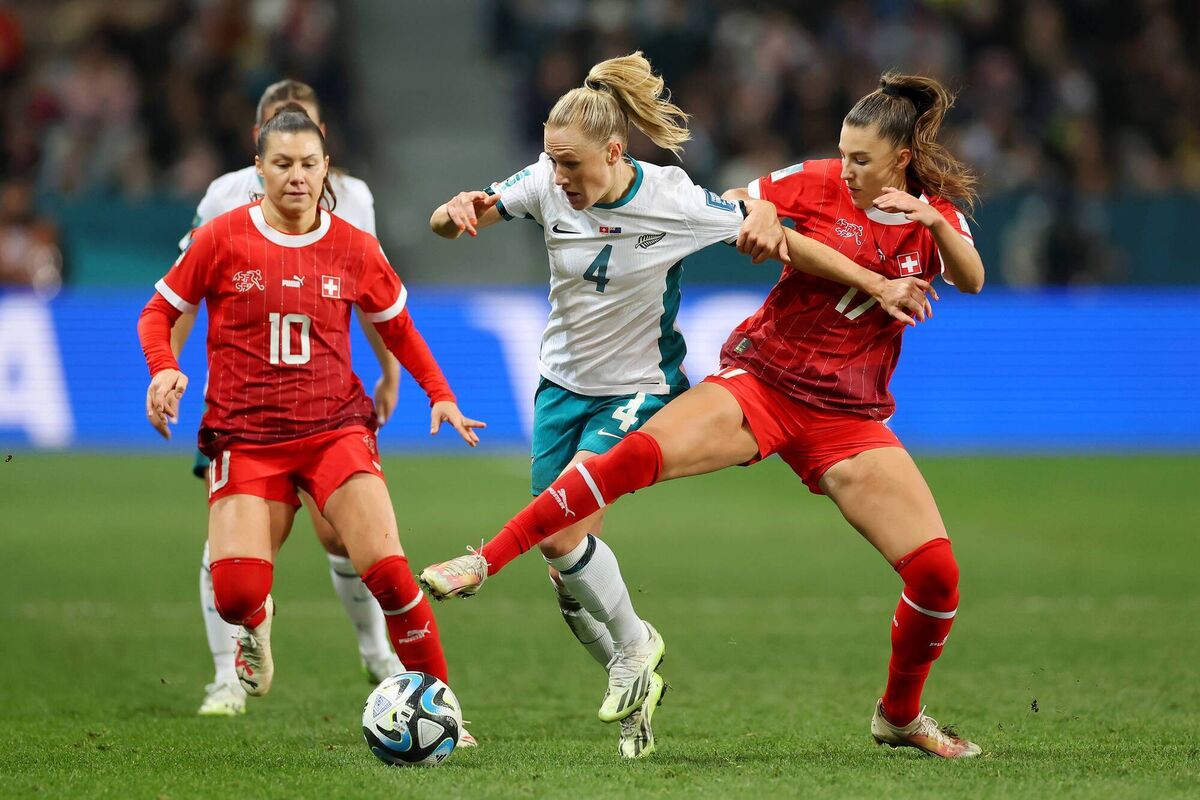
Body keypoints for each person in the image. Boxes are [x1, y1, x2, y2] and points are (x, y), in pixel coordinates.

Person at [421, 71, 982, 758]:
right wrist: (765, 215)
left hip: (849, 415)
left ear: (900, 159)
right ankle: (493, 562)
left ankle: (899, 716)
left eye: (860, 159)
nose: (845, 169)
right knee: (620, 471)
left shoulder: (934, 212)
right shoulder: (814, 181)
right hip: (764, 382)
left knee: (936, 574)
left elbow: (972, 275)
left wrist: (927, 221)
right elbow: (746, 204)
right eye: (842, 153)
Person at [138, 109, 484, 741]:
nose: (296, 177)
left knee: (391, 573)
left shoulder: (354, 245)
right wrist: (163, 370)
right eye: (282, 164)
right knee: (236, 592)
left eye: (307, 164)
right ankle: (254, 623)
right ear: (259, 168)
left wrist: (440, 394)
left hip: (334, 431)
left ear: (326, 167)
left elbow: (397, 327)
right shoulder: (219, 239)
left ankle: (445, 713)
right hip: (243, 436)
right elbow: (157, 312)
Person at [171, 79, 405, 719]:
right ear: (259, 141)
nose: (295, 150)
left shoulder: (354, 198)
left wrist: (388, 373)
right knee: (229, 548)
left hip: (325, 406)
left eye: (308, 137)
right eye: (280, 130)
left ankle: (376, 652)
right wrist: (165, 368)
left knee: (343, 538)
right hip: (244, 405)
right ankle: (227, 675)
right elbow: (181, 293)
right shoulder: (224, 196)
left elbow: (372, 296)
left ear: (324, 145)